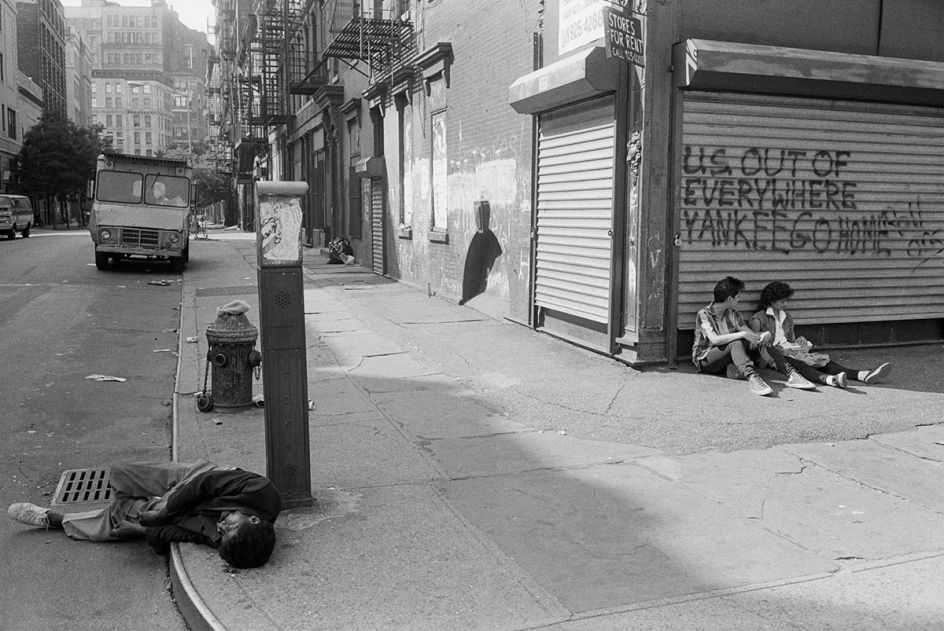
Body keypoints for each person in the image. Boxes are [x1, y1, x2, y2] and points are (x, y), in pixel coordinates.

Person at [7, 460, 281, 569]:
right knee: (123, 474)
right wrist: (164, 511)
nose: (222, 527)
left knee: (119, 522)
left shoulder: (225, 538)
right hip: (194, 479)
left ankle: (55, 520)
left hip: (186, 510)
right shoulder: (262, 492)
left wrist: (143, 532)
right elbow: (205, 483)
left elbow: (183, 533)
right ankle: (149, 502)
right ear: (254, 519)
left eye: (222, 534)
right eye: (229, 526)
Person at [749, 281, 891, 389]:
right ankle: (830, 380)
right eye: (782, 301)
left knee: (823, 362)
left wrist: (801, 340)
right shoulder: (759, 318)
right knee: (800, 365)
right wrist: (775, 350)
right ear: (771, 300)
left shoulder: (787, 317)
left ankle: (863, 375)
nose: (785, 304)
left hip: (791, 351)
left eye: (787, 300)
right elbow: (755, 345)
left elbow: (791, 340)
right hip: (775, 357)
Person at [692, 276, 817, 396]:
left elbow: (750, 335)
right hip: (706, 361)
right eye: (738, 297)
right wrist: (742, 334)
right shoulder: (704, 314)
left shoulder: (733, 314)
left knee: (760, 341)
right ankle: (753, 378)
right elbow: (714, 339)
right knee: (736, 342)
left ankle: (792, 375)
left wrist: (763, 335)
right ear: (730, 299)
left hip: (730, 356)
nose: (739, 300)